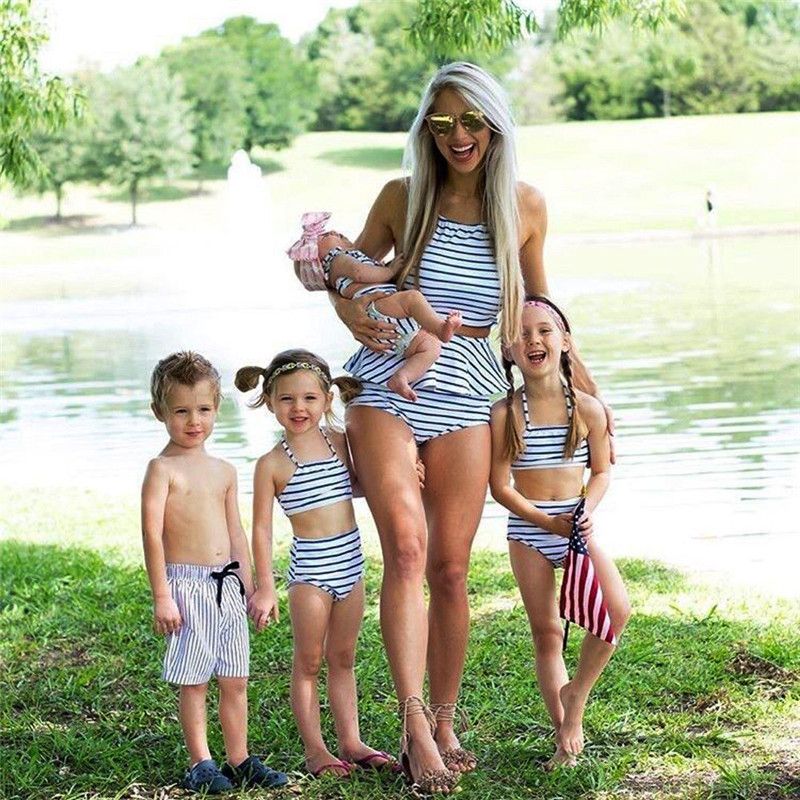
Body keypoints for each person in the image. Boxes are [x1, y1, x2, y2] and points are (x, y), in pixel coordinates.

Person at [329, 61, 612, 793]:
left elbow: (539, 311)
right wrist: (352, 295)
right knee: (408, 546)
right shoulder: (402, 196)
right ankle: (415, 724)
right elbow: (348, 284)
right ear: (427, 128)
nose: (460, 135)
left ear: (496, 124)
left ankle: (447, 718)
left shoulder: (525, 206)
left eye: (473, 120)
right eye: (444, 121)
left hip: (472, 393)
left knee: (452, 569)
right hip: (388, 381)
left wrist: (589, 396)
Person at [235, 350, 400, 778]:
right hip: (310, 571)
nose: (299, 408)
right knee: (308, 661)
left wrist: (404, 472)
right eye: (287, 399)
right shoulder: (271, 465)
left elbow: (363, 484)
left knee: (343, 657)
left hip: (351, 562)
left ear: (328, 399)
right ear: (269, 401)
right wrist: (265, 586)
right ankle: (315, 751)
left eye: (310, 398)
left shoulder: (340, 441)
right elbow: (260, 530)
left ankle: (351, 741)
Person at [489, 298, 630, 768]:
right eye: (522, 333)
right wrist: (546, 522)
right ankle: (563, 737)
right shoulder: (505, 413)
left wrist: (584, 509)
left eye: (545, 331)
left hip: (575, 525)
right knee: (547, 632)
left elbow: (602, 472)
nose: (534, 340)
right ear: (508, 350)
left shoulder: (588, 409)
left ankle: (576, 697)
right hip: (529, 529)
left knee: (616, 611)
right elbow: (500, 486)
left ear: (565, 341)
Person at [141, 351, 289, 794]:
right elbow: (151, 535)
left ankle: (240, 758)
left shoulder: (224, 471)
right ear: (160, 412)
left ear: (216, 410)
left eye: (203, 409)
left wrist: (256, 587)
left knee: (236, 678)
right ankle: (200, 762)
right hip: (185, 587)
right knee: (195, 679)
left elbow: (237, 535)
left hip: (226, 586)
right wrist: (163, 595)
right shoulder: (161, 469)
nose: (194, 421)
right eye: (181, 411)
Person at [288, 214, 462, 401]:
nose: (335, 232)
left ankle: (401, 377)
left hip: (392, 329)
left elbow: (363, 271)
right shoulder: (336, 260)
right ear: (320, 261)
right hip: (376, 307)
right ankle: (440, 328)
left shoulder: (341, 267)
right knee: (412, 298)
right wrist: (390, 270)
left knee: (431, 347)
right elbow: (359, 272)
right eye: (324, 236)